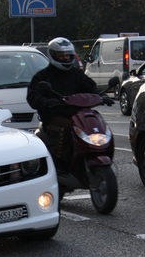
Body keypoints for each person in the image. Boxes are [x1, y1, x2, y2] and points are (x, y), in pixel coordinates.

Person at [27, 37, 112, 166]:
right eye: (62, 56)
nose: (66, 58)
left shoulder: (76, 73)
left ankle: (99, 152)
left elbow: (90, 87)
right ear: (53, 55)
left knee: (98, 125)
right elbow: (33, 96)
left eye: (68, 55)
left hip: (78, 114)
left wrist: (102, 96)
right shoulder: (42, 76)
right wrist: (45, 102)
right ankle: (60, 163)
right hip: (55, 116)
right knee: (67, 127)